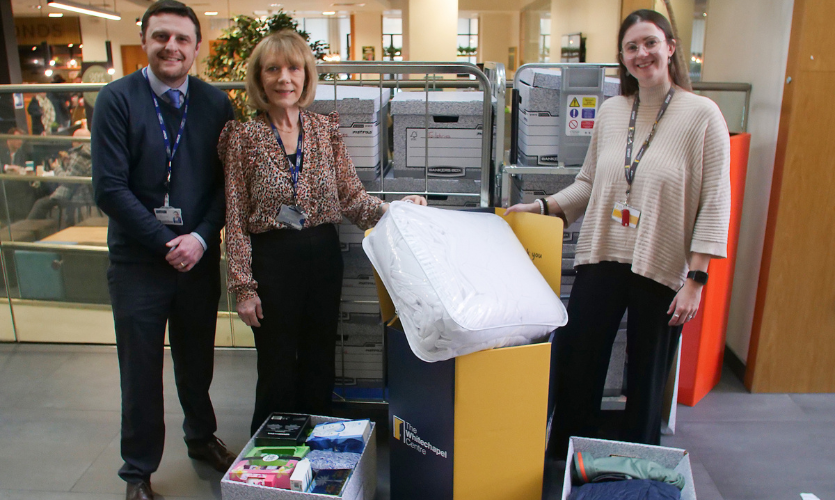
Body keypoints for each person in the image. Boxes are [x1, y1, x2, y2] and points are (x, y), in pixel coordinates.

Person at [506, 9, 730, 457]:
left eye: (650, 43)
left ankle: (640, 461)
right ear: (623, 58)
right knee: (579, 359)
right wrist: (544, 207)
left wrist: (696, 281)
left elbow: (715, 202)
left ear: (670, 47)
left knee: (646, 374)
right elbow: (589, 182)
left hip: (662, 262)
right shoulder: (612, 111)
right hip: (603, 253)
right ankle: (568, 457)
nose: (641, 53)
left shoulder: (702, 115)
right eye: (631, 47)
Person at [218, 30, 427, 436]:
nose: (284, 78)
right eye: (273, 69)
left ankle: (317, 449)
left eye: (294, 68)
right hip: (273, 260)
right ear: (259, 79)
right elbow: (236, 216)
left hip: (323, 256)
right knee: (276, 364)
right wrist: (243, 287)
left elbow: (352, 198)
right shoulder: (243, 137)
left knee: (318, 359)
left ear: (306, 76)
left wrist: (396, 210)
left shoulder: (324, 130)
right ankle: (273, 459)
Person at [91, 1, 236, 499]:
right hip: (137, 261)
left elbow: (226, 188)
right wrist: (164, 244)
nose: (170, 46)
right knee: (140, 369)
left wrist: (198, 239)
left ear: (197, 47)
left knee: (197, 361)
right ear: (145, 41)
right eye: (160, 37)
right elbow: (109, 188)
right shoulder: (116, 100)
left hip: (196, 257)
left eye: (181, 38)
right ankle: (137, 471)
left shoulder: (217, 106)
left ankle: (200, 438)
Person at [27, 128, 93, 225]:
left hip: (74, 194)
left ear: (78, 141)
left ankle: (29, 230)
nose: (71, 143)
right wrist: (67, 162)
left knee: (40, 204)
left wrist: (56, 167)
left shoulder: (80, 155)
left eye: (73, 140)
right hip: (83, 192)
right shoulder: (91, 152)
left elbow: (66, 180)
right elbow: (75, 173)